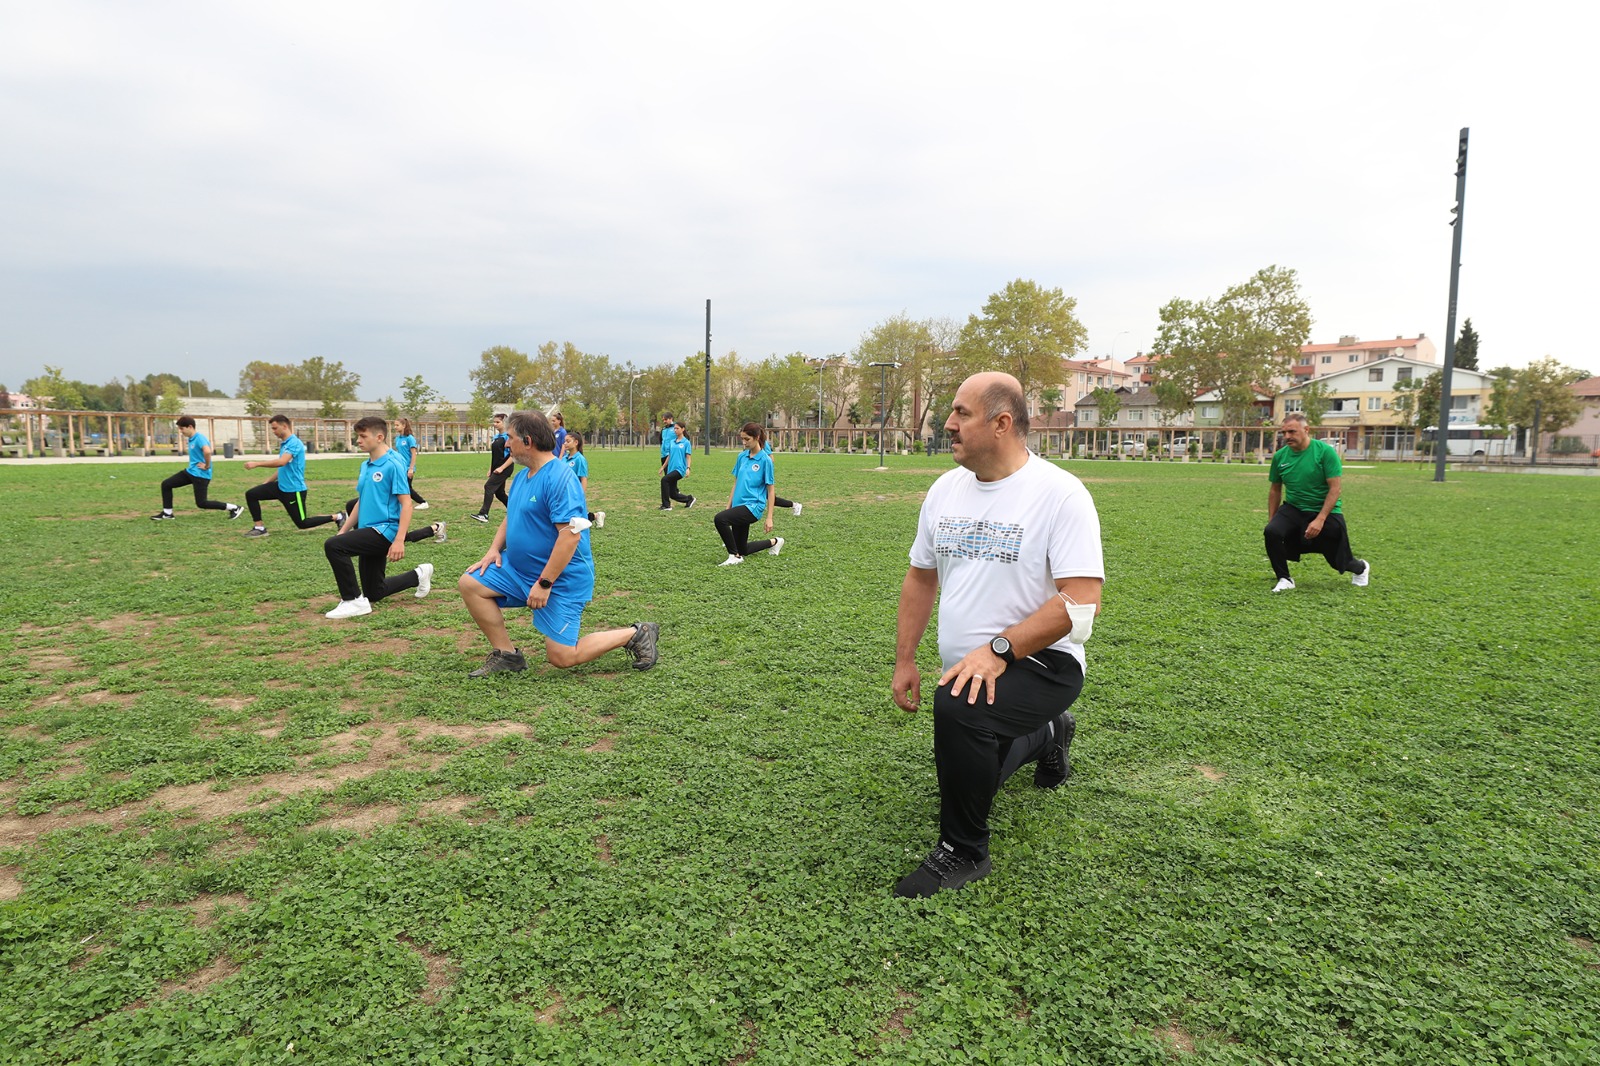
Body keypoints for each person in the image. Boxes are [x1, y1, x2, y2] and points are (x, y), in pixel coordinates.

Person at [890, 372, 1104, 898]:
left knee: (960, 709)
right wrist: (905, 659)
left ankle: (963, 852)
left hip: (1044, 663)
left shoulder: (1060, 495)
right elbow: (921, 576)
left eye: (962, 412)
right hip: (975, 665)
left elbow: (1080, 601)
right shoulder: (945, 490)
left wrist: (998, 650)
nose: (948, 423)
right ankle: (1050, 735)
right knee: (974, 752)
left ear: (1002, 423)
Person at [457, 410, 658, 677]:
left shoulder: (560, 478)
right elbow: (511, 516)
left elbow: (570, 536)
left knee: (562, 656)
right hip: (519, 572)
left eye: (510, 437)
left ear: (527, 441)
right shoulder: (521, 477)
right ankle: (507, 655)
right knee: (471, 583)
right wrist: (493, 549)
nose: (506, 443)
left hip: (558, 581)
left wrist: (544, 584)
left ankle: (636, 633)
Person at [322, 417, 434, 618]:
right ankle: (419, 574)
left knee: (334, 546)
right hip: (368, 529)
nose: (358, 440)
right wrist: (343, 530)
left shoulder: (393, 464)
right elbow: (361, 502)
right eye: (358, 436)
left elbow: (406, 503)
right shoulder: (366, 465)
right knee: (374, 592)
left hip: (385, 530)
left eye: (363, 436)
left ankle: (353, 601)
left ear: (379, 437)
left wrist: (399, 540)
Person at [1264, 412, 1369, 592]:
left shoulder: (1325, 452)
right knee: (1272, 531)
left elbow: (1335, 489)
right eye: (1284, 433)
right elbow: (1275, 489)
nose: (1287, 437)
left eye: (1292, 432)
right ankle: (1284, 578)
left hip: (1325, 510)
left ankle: (1361, 568)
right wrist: (1272, 518)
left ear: (1306, 430)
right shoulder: (1280, 457)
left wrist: (1320, 519)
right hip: (1294, 508)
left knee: (1337, 561)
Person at [241, 415, 344, 538]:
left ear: (284, 426)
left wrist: (257, 464)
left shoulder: (294, 443)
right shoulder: (285, 444)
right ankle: (259, 528)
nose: (273, 432)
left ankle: (338, 517)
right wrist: (267, 482)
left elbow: (281, 462)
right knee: (251, 494)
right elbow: (283, 468)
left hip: (294, 490)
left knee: (302, 523)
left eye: (275, 428)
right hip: (280, 487)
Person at [713, 423, 784, 566]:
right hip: (739, 505)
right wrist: (729, 506)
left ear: (757, 438)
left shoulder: (765, 460)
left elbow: (771, 490)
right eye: (742, 439)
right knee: (742, 548)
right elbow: (736, 482)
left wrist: (769, 517)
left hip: (753, 507)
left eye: (747, 439)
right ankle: (775, 542)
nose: (744, 442)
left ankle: (734, 557)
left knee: (720, 519)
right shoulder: (741, 457)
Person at [151, 416, 241, 521]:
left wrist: (207, 466)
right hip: (191, 472)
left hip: (201, 475)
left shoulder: (199, 438)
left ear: (190, 427)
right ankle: (167, 514)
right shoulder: (191, 438)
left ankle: (234, 508)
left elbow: (207, 451)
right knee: (166, 484)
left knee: (202, 503)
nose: (181, 431)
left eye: (182, 428)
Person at [471, 413, 515, 523]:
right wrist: (491, 468)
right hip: (497, 468)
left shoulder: (508, 437)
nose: (494, 424)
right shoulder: (497, 438)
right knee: (499, 493)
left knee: (489, 486)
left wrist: (502, 468)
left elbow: (512, 455)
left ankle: (483, 514)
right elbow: (495, 455)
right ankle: (516, 510)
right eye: (494, 422)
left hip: (505, 468)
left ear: (504, 422)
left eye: (497, 422)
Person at [561, 430, 604, 528]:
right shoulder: (564, 458)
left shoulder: (579, 459)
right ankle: (596, 516)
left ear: (576, 442)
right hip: (564, 491)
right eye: (564, 441)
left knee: (575, 516)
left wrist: (581, 494)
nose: (565, 444)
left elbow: (583, 479)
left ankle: (596, 516)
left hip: (574, 491)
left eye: (568, 441)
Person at [392, 417, 429, 511]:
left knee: (407, 488)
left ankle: (423, 502)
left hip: (408, 467)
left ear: (403, 425)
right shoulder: (397, 439)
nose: (395, 427)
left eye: (397, 425)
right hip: (400, 467)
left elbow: (413, 454)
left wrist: (411, 468)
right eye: (394, 425)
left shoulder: (410, 438)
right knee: (401, 487)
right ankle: (401, 505)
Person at [658, 420, 695, 510]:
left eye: (677, 428)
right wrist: (663, 467)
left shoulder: (686, 443)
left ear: (683, 429)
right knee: (673, 494)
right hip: (671, 469)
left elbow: (688, 457)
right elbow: (669, 456)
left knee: (664, 480)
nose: (675, 430)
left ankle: (666, 505)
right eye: (674, 428)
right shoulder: (672, 442)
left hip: (680, 469)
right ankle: (689, 499)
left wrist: (688, 468)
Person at [760, 437, 802, 515]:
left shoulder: (763, 443)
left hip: (762, 474)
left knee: (770, 497)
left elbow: (771, 458)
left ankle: (795, 505)